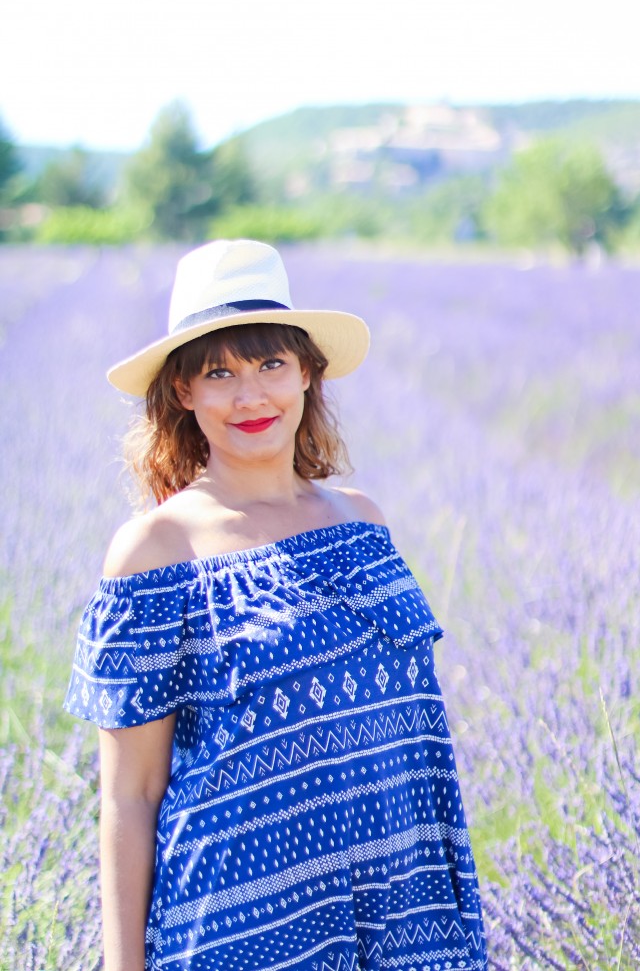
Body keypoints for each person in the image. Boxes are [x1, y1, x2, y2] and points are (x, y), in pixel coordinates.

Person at [64, 239, 487, 971]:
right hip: (245, 933)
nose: (251, 396)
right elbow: (130, 793)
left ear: (307, 373)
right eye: (218, 373)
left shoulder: (363, 523)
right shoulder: (156, 552)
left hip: (404, 914)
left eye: (270, 365)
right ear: (183, 392)